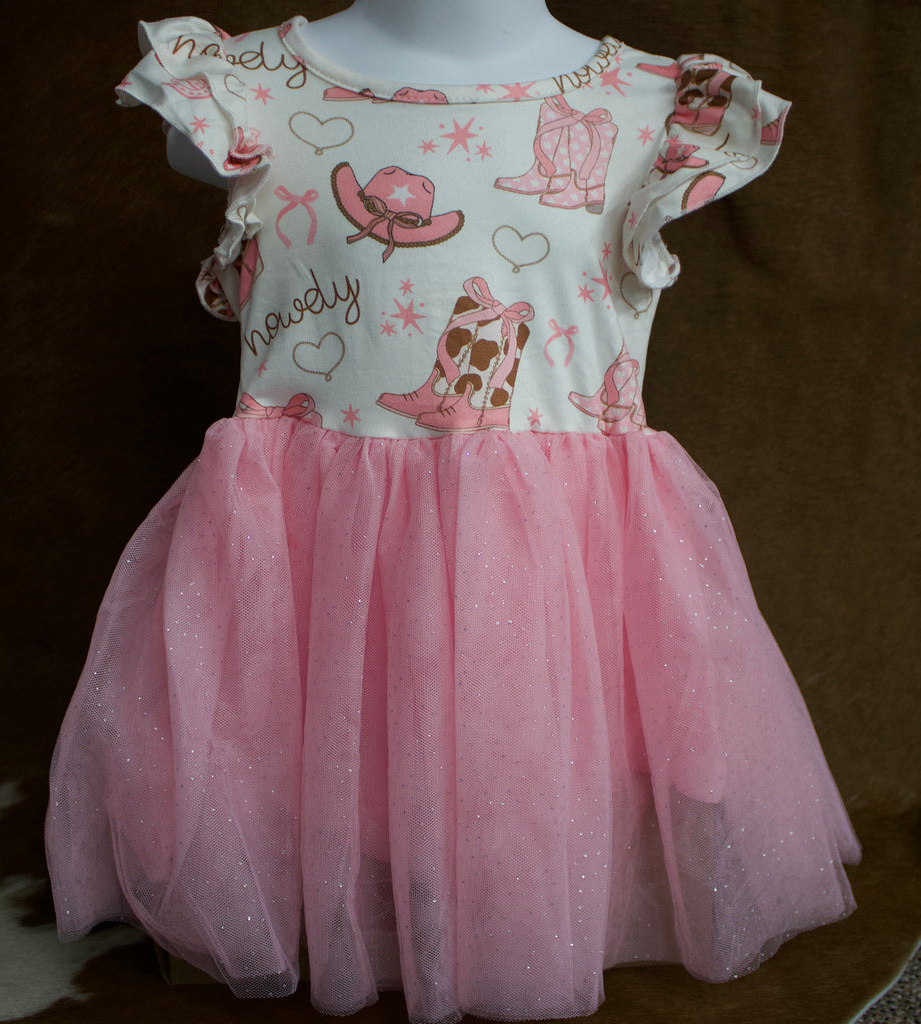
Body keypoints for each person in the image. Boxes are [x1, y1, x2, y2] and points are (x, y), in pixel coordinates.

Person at [46, 3, 861, 1022]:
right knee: (285, 756)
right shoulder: (242, 90)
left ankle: (514, 936)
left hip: (542, 568)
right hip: (306, 562)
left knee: (515, 770)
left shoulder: (657, 108)